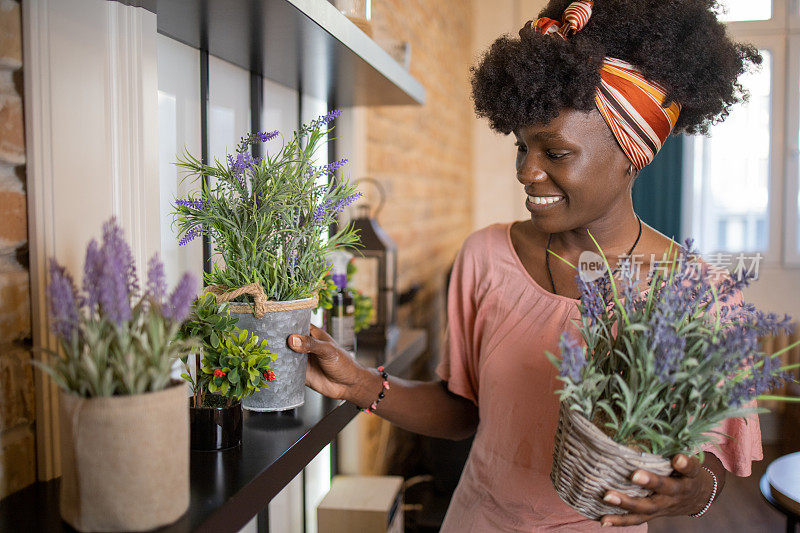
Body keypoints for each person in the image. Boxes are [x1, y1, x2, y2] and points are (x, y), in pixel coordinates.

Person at [288, 0, 764, 530]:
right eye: (521, 148)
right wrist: (357, 384)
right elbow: (463, 411)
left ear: (633, 154)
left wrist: (692, 491)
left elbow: (718, 470)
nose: (526, 172)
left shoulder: (696, 294)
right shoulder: (486, 258)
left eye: (555, 153)